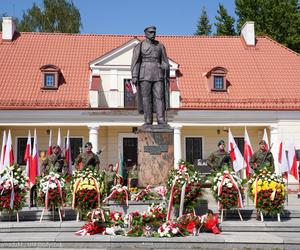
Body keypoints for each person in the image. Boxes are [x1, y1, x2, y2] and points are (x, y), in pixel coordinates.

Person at [131, 26, 170, 126]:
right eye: (151, 32)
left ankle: (161, 119)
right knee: (146, 98)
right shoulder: (140, 45)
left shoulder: (160, 45)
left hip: (158, 73)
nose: (153, 34)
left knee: (160, 97)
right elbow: (136, 61)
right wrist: (135, 75)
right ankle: (148, 120)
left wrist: (165, 66)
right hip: (144, 74)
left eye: (154, 32)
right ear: (145, 33)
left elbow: (165, 61)